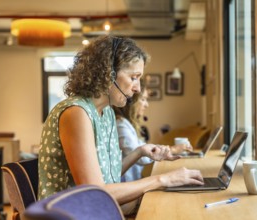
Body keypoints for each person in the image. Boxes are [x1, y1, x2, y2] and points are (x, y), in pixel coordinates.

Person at [38, 35, 204, 214]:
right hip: (70, 215)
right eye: (134, 77)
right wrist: (163, 179)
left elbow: (108, 178)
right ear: (107, 74)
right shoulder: (76, 113)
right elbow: (95, 193)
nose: (137, 88)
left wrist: (139, 152)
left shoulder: (106, 112)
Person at [114, 80, 193, 182]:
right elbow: (140, 156)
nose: (146, 105)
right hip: (126, 182)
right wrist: (172, 150)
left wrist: (169, 150)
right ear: (130, 101)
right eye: (143, 99)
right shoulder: (120, 125)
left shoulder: (127, 124)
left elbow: (143, 147)